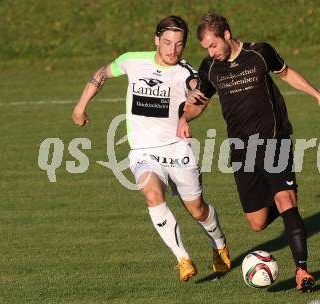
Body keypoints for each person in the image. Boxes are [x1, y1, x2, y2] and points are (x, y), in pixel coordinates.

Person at [179, 12, 320, 291]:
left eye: (213, 45)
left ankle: (302, 271)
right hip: (241, 149)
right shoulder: (210, 67)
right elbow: (199, 102)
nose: (211, 52)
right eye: (206, 48)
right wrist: (184, 116)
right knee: (257, 222)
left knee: (286, 200)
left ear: (227, 34)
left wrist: (318, 95)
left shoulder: (259, 53)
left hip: (274, 140)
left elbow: (287, 73)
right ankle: (288, 207)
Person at [71, 15, 231, 282]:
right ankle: (183, 259)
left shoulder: (185, 72)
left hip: (178, 151)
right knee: (152, 193)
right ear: (156, 40)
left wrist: (193, 93)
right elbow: (101, 74)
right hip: (143, 152)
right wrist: (80, 106)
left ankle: (218, 243)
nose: (172, 49)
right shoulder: (133, 60)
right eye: (167, 42)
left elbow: (195, 85)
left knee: (197, 210)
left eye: (179, 44)